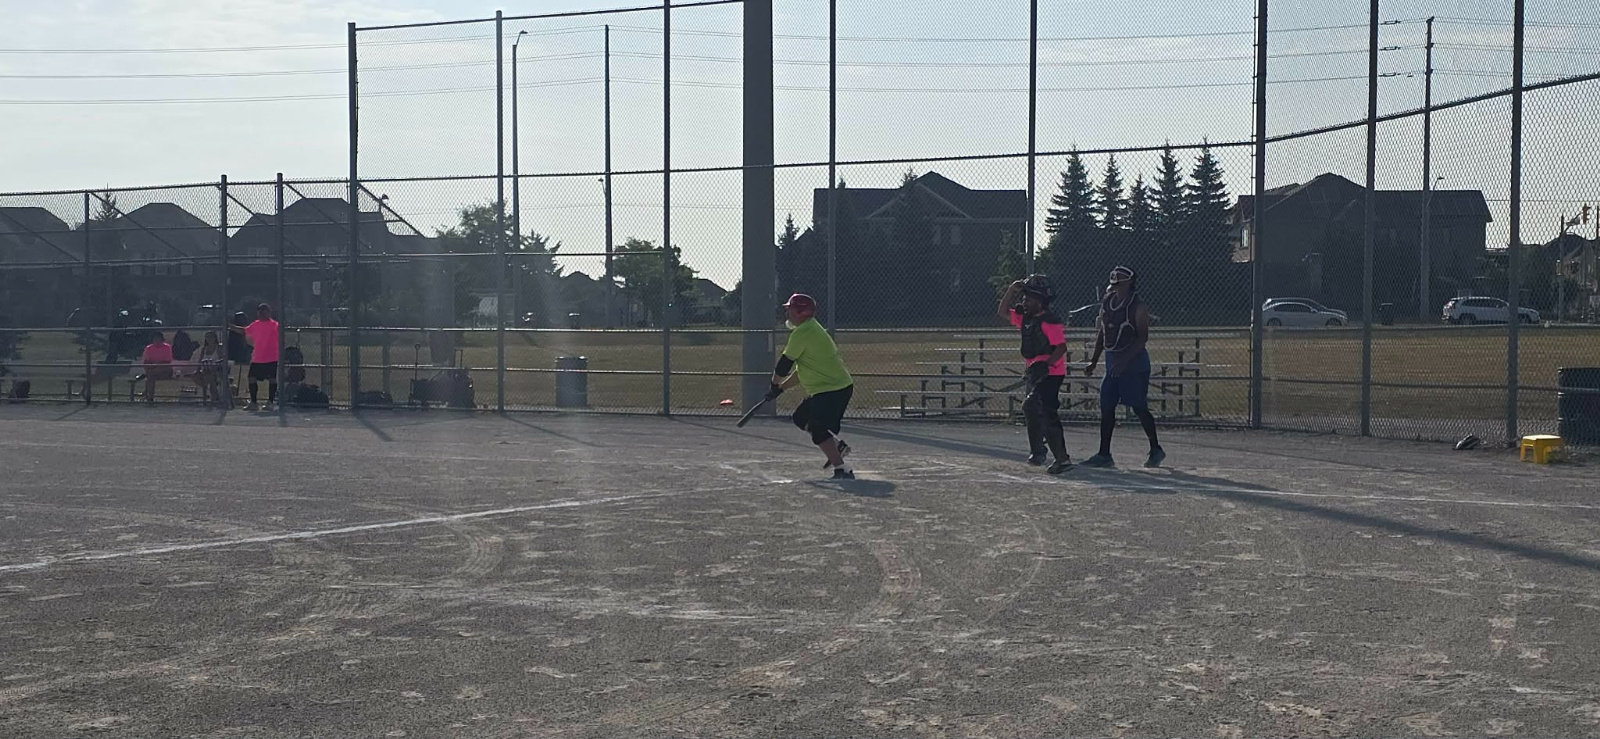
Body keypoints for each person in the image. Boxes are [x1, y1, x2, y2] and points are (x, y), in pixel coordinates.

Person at [1083, 266, 1164, 468]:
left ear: (1130, 281)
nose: (1116, 279)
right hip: (1113, 364)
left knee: (1138, 407)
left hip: (1135, 365)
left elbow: (1142, 339)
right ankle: (1104, 454)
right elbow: (1103, 332)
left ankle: (1156, 448)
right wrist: (1094, 360)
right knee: (1107, 406)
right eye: (1114, 276)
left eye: (1121, 277)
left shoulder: (1138, 307)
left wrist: (1124, 362)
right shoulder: (1107, 302)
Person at [768, 294, 856, 480]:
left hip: (833, 390)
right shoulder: (810, 328)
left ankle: (842, 469)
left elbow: (784, 364)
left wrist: (774, 383)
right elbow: (801, 372)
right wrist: (780, 388)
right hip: (828, 389)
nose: (787, 313)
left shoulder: (803, 332)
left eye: (791, 309)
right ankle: (837, 446)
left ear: (801, 312)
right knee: (801, 417)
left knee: (818, 428)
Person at [997, 274, 1072, 474]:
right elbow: (1002, 311)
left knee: (1038, 408)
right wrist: (1011, 290)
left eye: (1029, 299)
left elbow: (1061, 348)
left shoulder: (1050, 321)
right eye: (1024, 298)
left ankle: (1060, 458)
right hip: (1036, 373)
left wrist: (1046, 365)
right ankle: (1039, 451)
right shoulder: (1026, 319)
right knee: (1036, 410)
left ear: (1041, 302)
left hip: (1052, 373)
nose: (1024, 302)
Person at [230, 303, 281, 411]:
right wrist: (231, 327)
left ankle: (270, 402)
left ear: (269, 312)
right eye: (260, 310)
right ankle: (253, 403)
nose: (262, 313)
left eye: (264, 310)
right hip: (257, 357)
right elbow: (244, 330)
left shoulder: (275, 325)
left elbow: (281, 336)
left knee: (272, 379)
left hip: (271, 357)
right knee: (251, 378)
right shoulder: (255, 324)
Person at [192, 331, 226, 406]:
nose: (209, 339)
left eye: (210, 337)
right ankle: (206, 396)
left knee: (209, 375)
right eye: (207, 337)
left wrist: (215, 364)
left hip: (217, 370)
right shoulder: (204, 349)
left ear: (215, 338)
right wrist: (197, 371)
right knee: (196, 375)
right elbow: (200, 361)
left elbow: (222, 359)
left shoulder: (218, 347)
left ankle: (214, 397)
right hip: (205, 369)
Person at [139, 332, 174, 403]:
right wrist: (154, 365)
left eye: (158, 339)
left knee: (150, 374)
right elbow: (146, 361)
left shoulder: (167, 347)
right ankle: (150, 397)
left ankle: (148, 394)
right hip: (152, 370)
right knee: (151, 375)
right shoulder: (148, 348)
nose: (156, 341)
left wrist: (156, 364)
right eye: (155, 339)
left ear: (162, 340)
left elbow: (167, 362)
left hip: (165, 370)